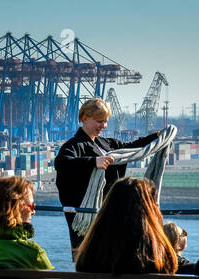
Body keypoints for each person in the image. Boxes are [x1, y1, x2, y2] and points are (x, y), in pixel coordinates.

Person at [54, 97, 163, 259]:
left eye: (105, 122)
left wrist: (156, 136)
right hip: (89, 215)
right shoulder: (73, 146)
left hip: (111, 209)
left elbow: (131, 148)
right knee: (91, 256)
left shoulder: (109, 144)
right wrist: (93, 162)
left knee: (113, 254)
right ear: (84, 118)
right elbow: (62, 163)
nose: (103, 126)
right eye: (99, 121)